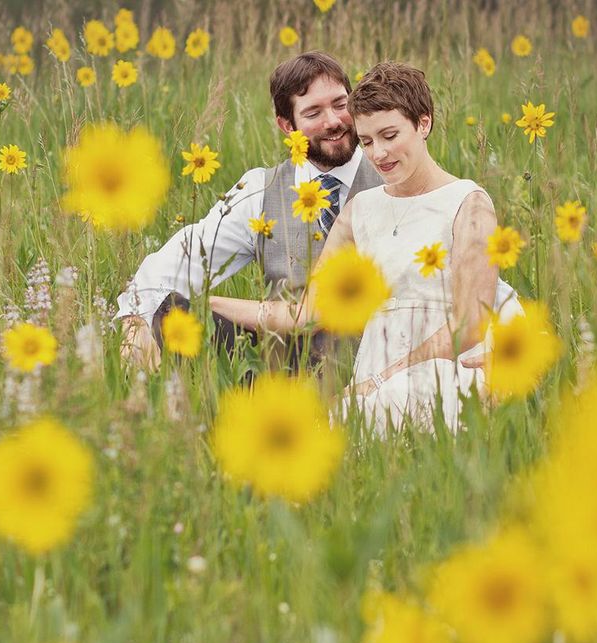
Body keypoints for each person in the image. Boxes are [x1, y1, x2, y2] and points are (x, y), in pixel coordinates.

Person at [209, 62, 522, 433]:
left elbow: (470, 323)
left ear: (423, 124)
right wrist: (207, 303)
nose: (379, 154)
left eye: (390, 135)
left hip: (444, 364)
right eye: (368, 141)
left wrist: (381, 381)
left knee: (388, 410)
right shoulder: (360, 210)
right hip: (376, 368)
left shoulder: (468, 202)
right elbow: (309, 313)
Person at [116, 51, 384, 370]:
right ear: (287, 125)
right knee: (174, 312)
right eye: (313, 113)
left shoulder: (392, 173)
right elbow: (182, 259)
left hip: (376, 362)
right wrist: (135, 320)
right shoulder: (261, 191)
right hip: (283, 368)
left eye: (340, 104)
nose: (334, 121)